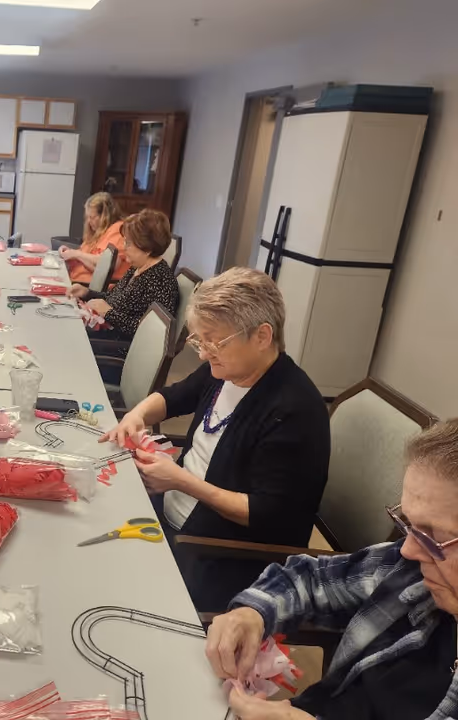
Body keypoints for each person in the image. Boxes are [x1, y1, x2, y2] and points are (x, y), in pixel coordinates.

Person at [102, 267, 330, 609]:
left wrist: (180, 481)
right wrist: (136, 416)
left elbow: (266, 513)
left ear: (262, 336)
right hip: (174, 519)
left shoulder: (294, 411)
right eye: (199, 341)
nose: (205, 353)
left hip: (221, 553)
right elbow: (174, 396)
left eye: (214, 341)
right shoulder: (227, 370)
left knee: (110, 586)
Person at [207, 419, 458, 720]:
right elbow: (309, 579)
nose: (408, 549)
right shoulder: (410, 568)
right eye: (409, 525)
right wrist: (252, 613)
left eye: (435, 537)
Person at [72, 209, 178, 342]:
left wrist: (109, 313)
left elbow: (151, 334)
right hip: (107, 333)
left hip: (119, 346)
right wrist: (87, 293)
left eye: (128, 243)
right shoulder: (137, 267)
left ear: (147, 248)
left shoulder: (160, 280)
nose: (123, 246)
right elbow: (114, 299)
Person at [59, 192, 128, 287]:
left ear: (105, 216)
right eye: (88, 217)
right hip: (77, 281)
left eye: (92, 217)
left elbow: (104, 266)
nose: (88, 221)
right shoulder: (98, 231)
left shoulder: (117, 230)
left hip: (89, 288)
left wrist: (77, 254)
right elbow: (86, 256)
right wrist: (70, 253)